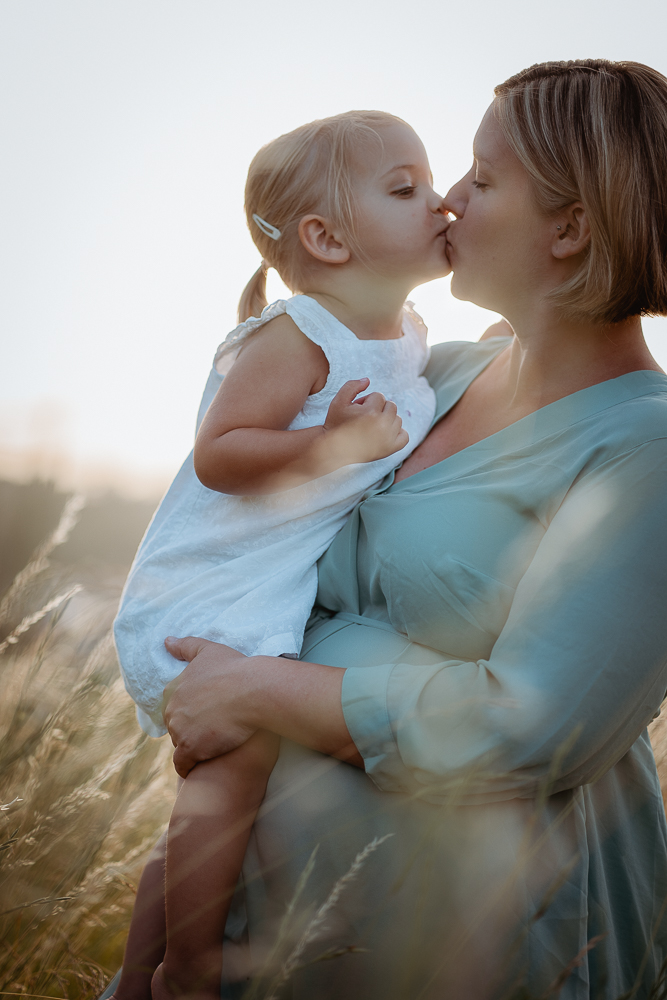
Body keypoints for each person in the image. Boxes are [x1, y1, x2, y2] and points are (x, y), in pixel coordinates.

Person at [156, 60, 667, 999]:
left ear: (572, 227)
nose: (448, 203)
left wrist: (264, 690)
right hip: (278, 921)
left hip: (490, 940)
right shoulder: (428, 378)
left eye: (481, 177)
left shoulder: (647, 444)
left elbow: (530, 724)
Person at [112, 111, 460, 999]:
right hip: (207, 597)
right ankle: (186, 972)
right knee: (232, 782)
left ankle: (132, 977)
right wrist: (328, 448)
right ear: (325, 238)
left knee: (214, 798)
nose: (443, 199)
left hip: (257, 590)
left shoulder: (406, 334)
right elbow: (220, 454)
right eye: (406, 187)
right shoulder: (297, 334)